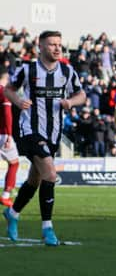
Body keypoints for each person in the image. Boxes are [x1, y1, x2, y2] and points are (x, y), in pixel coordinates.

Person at [3, 31, 85, 245]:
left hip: (53, 133)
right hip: (30, 130)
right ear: (41, 47)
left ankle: (13, 213)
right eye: (52, 45)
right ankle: (47, 228)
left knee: (35, 179)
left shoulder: (67, 71)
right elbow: (8, 90)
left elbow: (81, 94)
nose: (57, 48)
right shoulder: (28, 69)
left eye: (59, 44)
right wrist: (19, 101)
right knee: (50, 174)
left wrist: (71, 102)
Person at [0, 68, 20, 207]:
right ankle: (6, 195)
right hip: (2, 133)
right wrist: (9, 135)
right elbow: (7, 114)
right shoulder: (4, 92)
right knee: (14, 163)